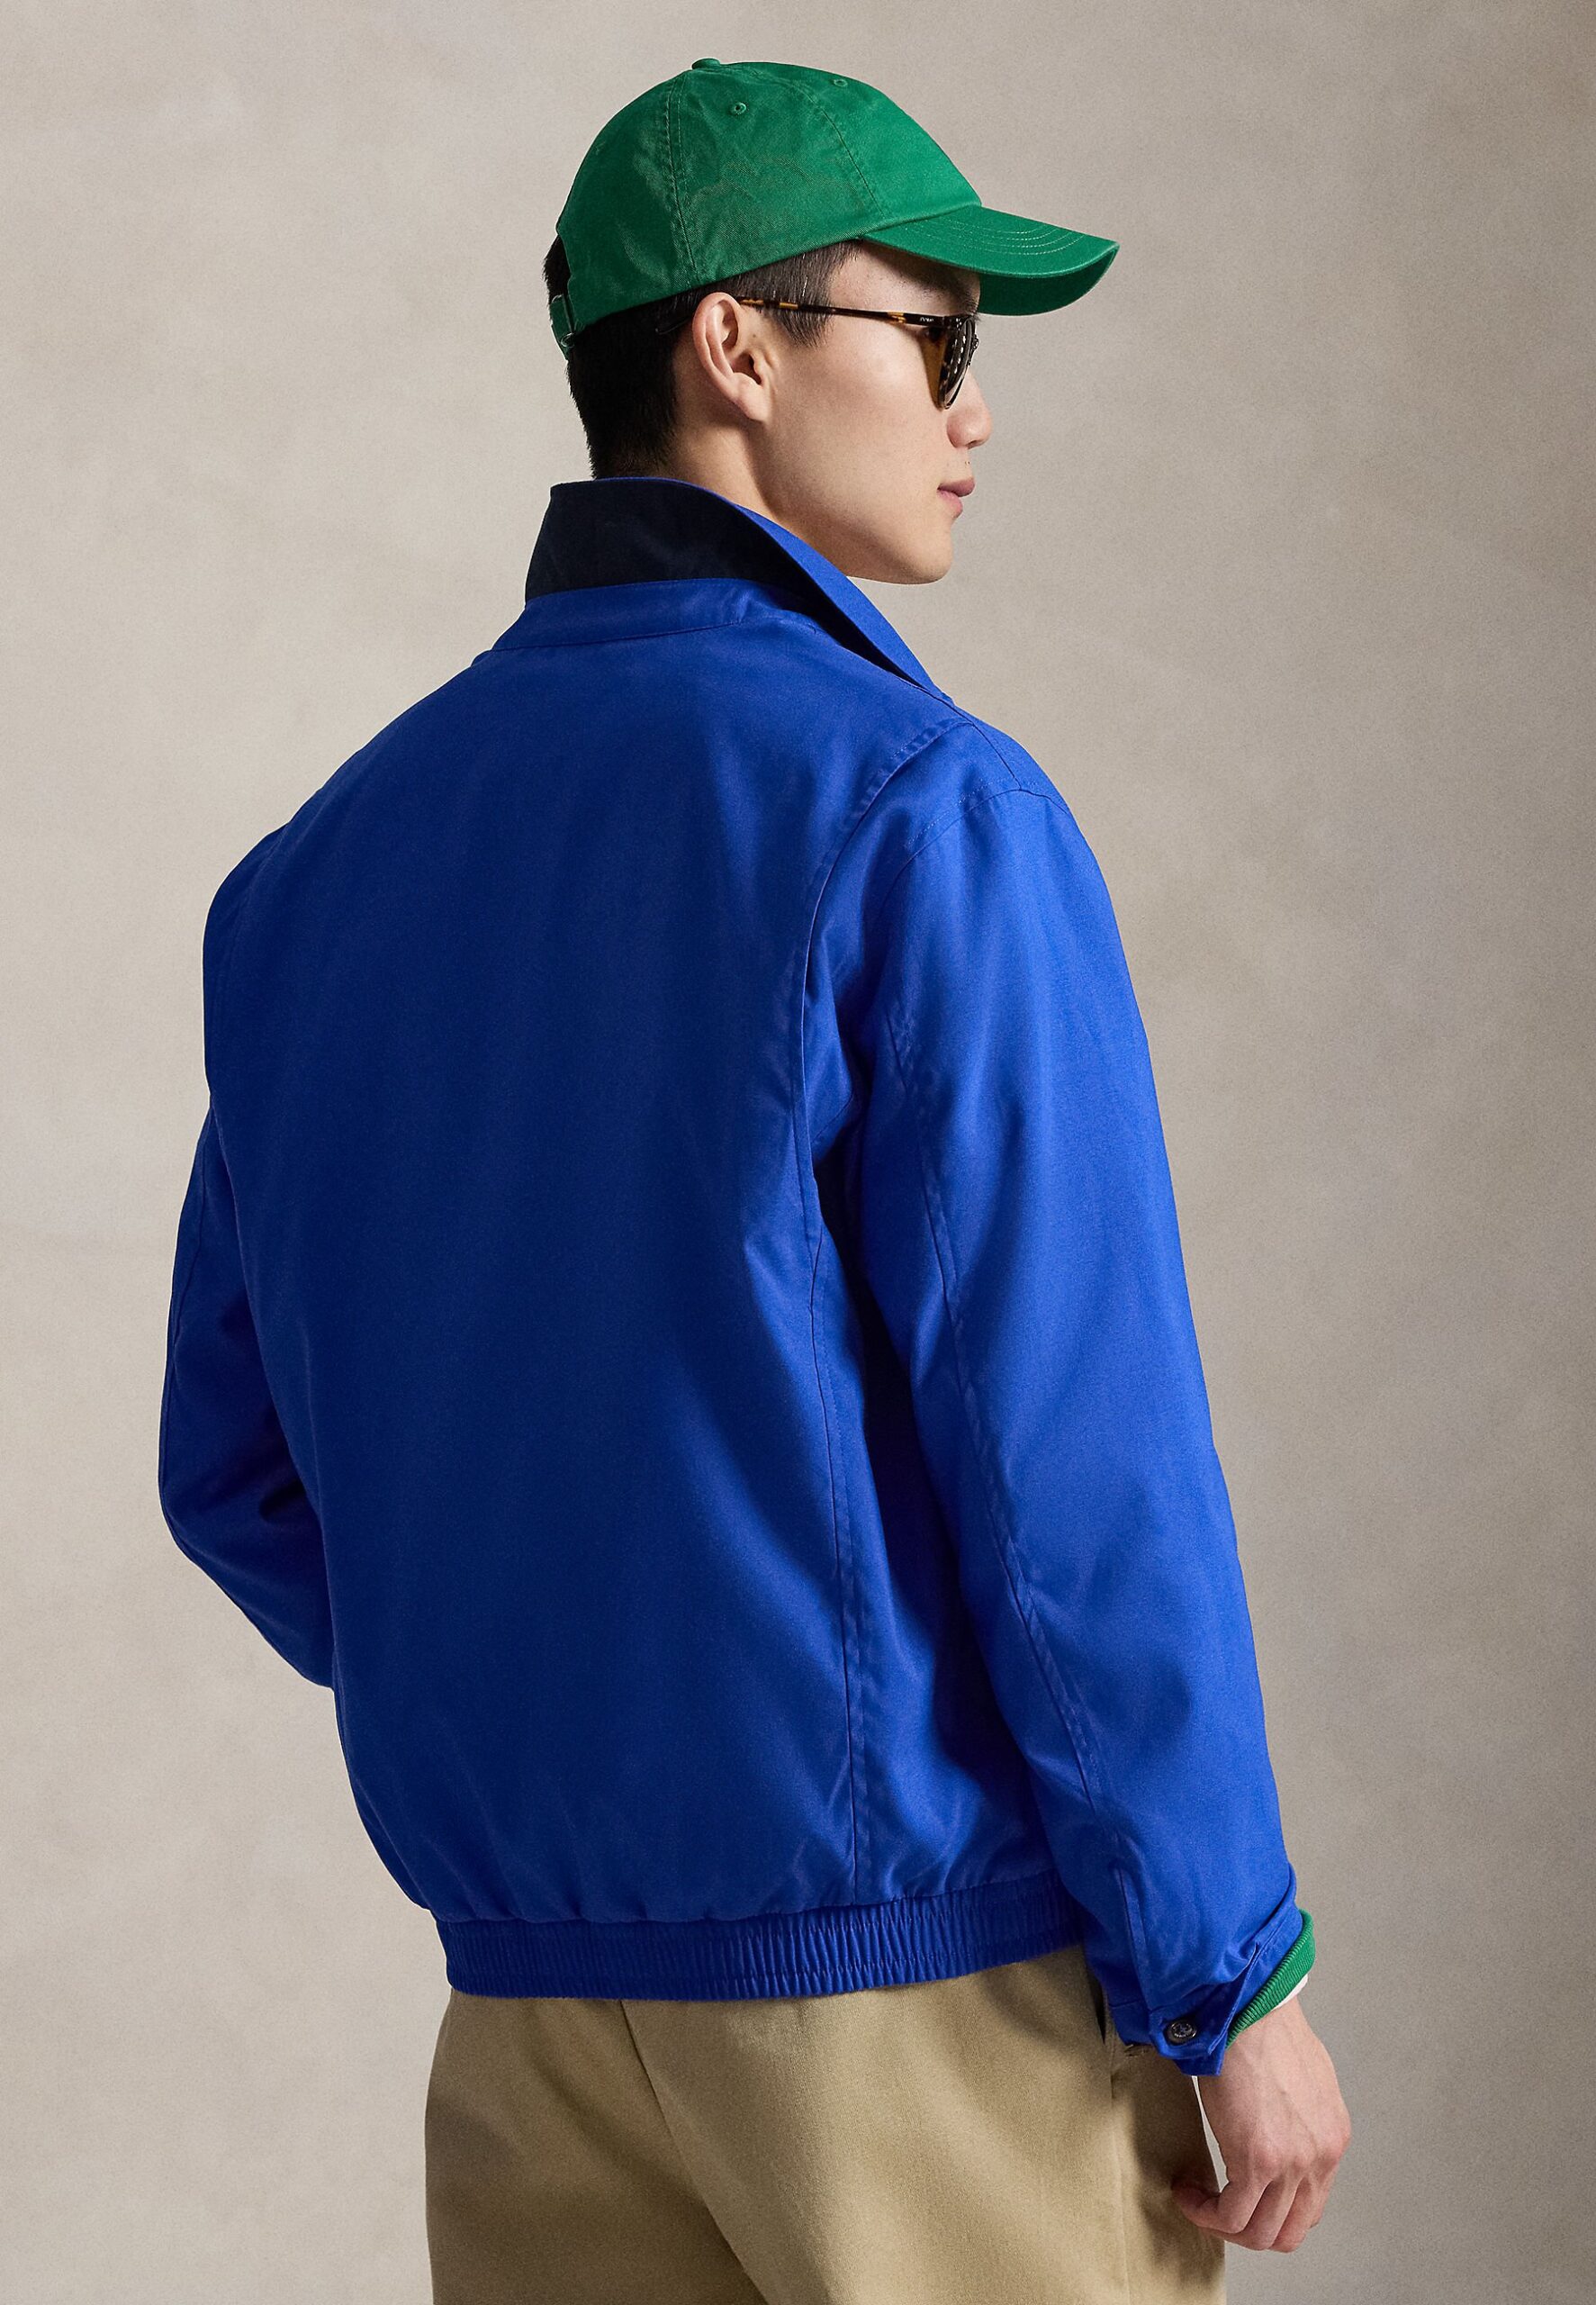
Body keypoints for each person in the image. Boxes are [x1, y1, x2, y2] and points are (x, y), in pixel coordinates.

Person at [157, 55, 1350, 2303]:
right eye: (937, 334)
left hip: (531, 2022)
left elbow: (232, 1465)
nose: (972, 408)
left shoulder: (319, 873)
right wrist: (1231, 1968)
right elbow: (1074, 1467)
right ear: (735, 343)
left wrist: (574, 1696)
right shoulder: (924, 810)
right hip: (922, 2007)